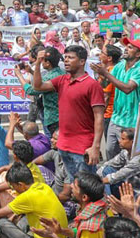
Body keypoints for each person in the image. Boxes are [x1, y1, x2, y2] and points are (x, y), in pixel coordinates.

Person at [37, 45, 106, 179]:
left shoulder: (92, 85)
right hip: (64, 145)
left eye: (71, 57)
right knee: (74, 187)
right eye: (66, 57)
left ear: (82, 61)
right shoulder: (62, 80)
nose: (66, 60)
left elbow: (99, 117)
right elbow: (38, 86)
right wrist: (37, 64)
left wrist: (95, 146)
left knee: (87, 186)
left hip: (83, 147)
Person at [0, 162, 70, 238]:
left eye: (13, 187)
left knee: (0, 222)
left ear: (21, 185)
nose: (13, 190)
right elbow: (20, 212)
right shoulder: (43, 187)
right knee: (20, 218)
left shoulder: (27, 197)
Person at [92, 37, 140, 160]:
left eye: (130, 47)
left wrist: (105, 73)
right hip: (116, 118)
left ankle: (129, 178)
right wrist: (101, 76)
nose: (126, 49)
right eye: (126, 47)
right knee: (110, 151)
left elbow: (128, 88)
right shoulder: (120, 66)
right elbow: (107, 84)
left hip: (131, 122)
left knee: (130, 156)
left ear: (138, 54)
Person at [19, 47, 65, 138]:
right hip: (63, 116)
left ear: (47, 63)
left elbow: (31, 90)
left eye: (41, 60)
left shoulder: (51, 77)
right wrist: (31, 71)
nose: (40, 62)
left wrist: (19, 75)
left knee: (56, 144)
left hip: (54, 118)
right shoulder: (62, 72)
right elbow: (41, 83)